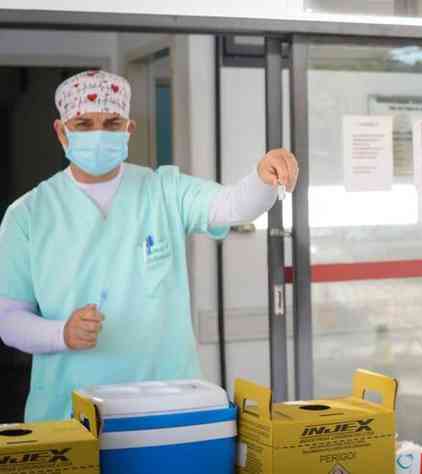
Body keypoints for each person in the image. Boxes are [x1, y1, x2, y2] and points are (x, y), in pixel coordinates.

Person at [0, 70, 299, 421]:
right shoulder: (28, 214)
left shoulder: (164, 191)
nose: (99, 133)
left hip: (167, 408)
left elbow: (233, 204)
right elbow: (8, 319)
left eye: (112, 123)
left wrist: (264, 176)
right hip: (70, 414)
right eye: (83, 123)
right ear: (61, 132)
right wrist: (61, 333)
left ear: (129, 130)